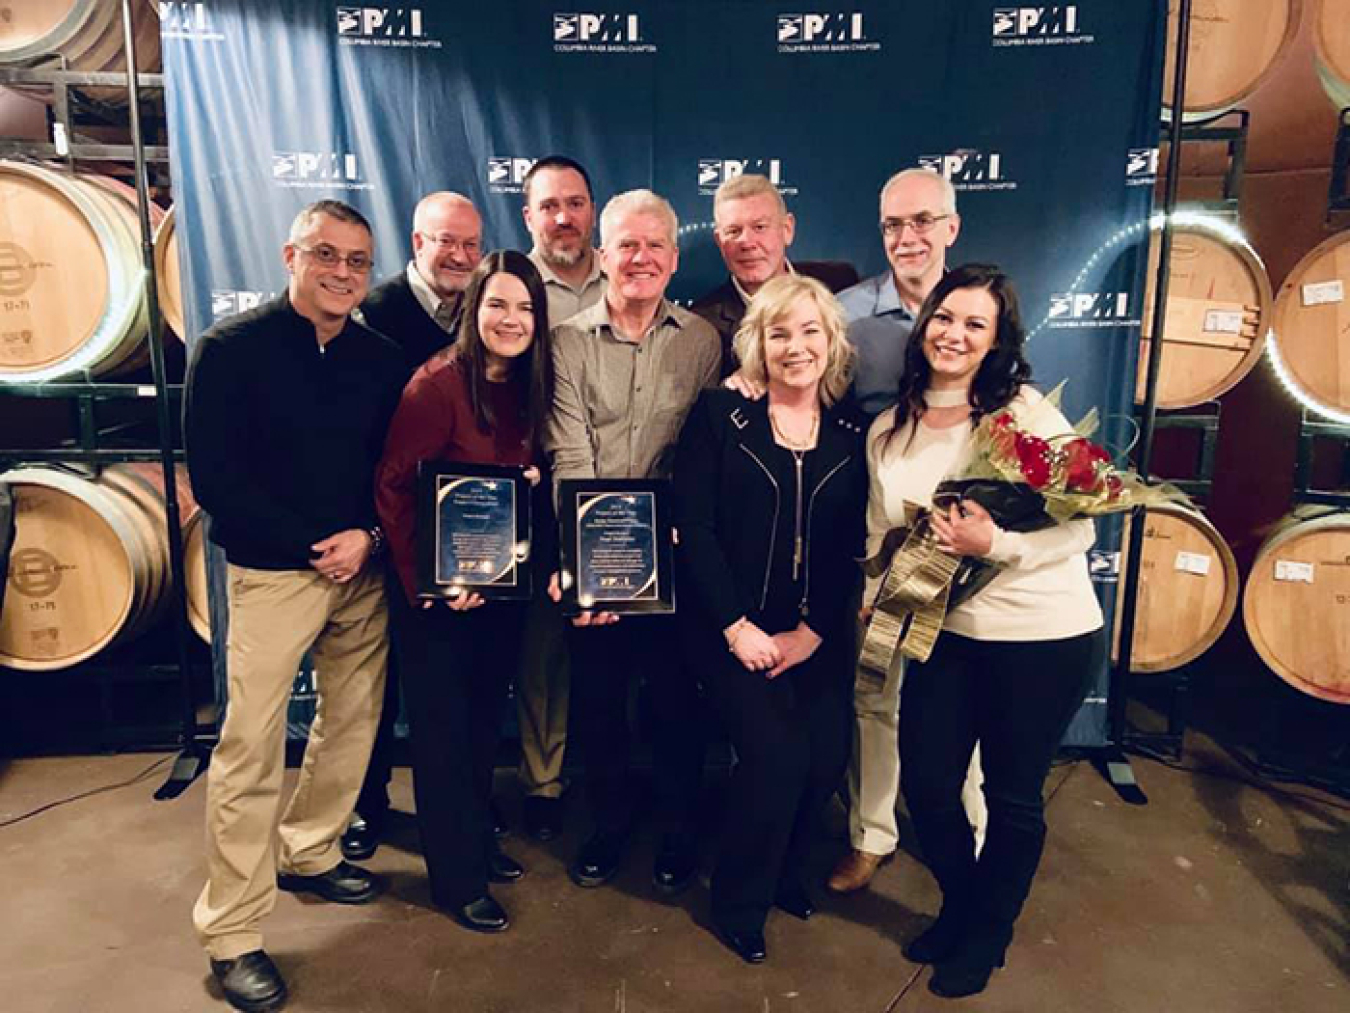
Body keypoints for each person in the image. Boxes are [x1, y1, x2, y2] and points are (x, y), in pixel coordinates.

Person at [185, 199, 405, 1013]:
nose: (343, 273)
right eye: (327, 255)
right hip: (275, 574)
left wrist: (371, 541)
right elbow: (217, 483)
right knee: (248, 749)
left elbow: (394, 471)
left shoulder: (380, 358)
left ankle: (310, 849)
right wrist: (321, 542)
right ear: (291, 255)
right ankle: (233, 931)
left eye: (357, 261)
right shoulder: (230, 350)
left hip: (363, 572)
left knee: (352, 723)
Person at [868, 263, 1103, 998]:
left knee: (1012, 796)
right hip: (947, 633)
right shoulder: (891, 424)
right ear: (925, 322)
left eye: (976, 324)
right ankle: (966, 903)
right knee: (932, 789)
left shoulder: (1026, 415)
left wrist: (996, 545)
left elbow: (1083, 528)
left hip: (1044, 638)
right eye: (945, 317)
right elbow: (883, 534)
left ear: (998, 340)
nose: (955, 334)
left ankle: (987, 934)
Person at [674, 275, 866, 964]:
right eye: (780, 332)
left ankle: (787, 870)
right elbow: (691, 527)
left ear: (832, 341)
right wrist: (736, 626)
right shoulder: (719, 417)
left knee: (824, 758)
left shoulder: (851, 434)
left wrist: (812, 633)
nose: (796, 346)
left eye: (810, 330)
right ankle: (739, 900)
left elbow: (851, 545)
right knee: (777, 756)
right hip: (725, 629)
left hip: (812, 632)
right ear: (756, 341)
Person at [545, 189, 722, 894]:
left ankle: (681, 827)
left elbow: (701, 455)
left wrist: (674, 543)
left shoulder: (703, 340)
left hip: (677, 559)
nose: (640, 257)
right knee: (599, 700)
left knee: (679, 700)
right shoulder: (566, 342)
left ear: (674, 259)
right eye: (626, 244)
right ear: (603, 254)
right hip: (599, 559)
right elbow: (568, 453)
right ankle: (610, 823)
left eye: (655, 245)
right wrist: (591, 565)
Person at [373, 250, 553, 934]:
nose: (511, 319)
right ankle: (456, 880)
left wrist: (529, 477)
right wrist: (430, 586)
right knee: (446, 738)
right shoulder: (436, 384)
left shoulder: (528, 382)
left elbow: (511, 469)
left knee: (482, 730)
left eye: (525, 308)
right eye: (498, 304)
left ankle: (475, 842)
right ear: (473, 308)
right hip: (441, 602)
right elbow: (394, 488)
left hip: (499, 593)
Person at [828, 167, 986, 897]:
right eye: (894, 224)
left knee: (965, 700)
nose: (908, 237)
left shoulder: (984, 307)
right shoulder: (847, 314)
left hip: (968, 550)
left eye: (923, 221)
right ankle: (872, 834)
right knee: (874, 694)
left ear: (951, 226)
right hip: (881, 541)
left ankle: (972, 830)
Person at [343, 191, 487, 862]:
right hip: (388, 527)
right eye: (443, 241)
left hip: (463, 542)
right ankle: (365, 808)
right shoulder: (375, 316)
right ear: (416, 242)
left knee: (453, 693)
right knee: (377, 682)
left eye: (469, 244)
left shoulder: (483, 318)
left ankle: (463, 824)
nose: (457, 254)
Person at [511, 155, 607, 841]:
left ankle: (611, 780)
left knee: (613, 647)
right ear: (529, 217)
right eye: (549, 206)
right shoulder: (514, 286)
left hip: (615, 490)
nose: (563, 217)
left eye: (574, 203)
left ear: (592, 209)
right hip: (534, 487)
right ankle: (543, 781)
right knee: (542, 648)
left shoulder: (628, 273)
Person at [692, 173, 857, 374]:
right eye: (734, 231)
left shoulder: (839, 284)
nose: (747, 242)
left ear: (787, 229)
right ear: (719, 241)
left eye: (759, 227)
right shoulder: (703, 325)